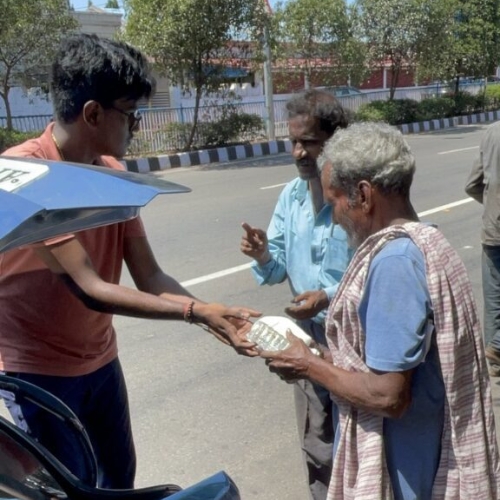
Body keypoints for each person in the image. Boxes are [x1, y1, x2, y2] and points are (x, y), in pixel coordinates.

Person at [0, 34, 260, 489]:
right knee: (71, 488)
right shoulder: (28, 175)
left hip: (100, 361)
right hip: (40, 373)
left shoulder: (113, 175)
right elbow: (89, 287)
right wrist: (195, 313)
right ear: (94, 114)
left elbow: (150, 275)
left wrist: (215, 316)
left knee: (118, 480)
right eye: (131, 116)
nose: (135, 128)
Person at [261, 122, 500, 499]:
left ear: (363, 194)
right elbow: (383, 364)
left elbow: (388, 396)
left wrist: (309, 366)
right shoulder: (427, 239)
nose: (334, 216)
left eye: (334, 200)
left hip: (410, 471)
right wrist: (315, 355)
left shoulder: (394, 262)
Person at [240, 89, 352, 500]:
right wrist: (264, 252)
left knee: (361, 438)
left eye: (309, 142)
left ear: (334, 143)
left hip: (354, 341)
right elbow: (276, 270)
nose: (299, 153)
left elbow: (374, 269)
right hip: (308, 341)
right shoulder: (291, 196)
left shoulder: (357, 197)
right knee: (317, 439)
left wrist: (328, 295)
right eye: (294, 142)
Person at [465, 121, 500, 376]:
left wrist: (491, 206)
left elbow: (472, 184)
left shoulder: (491, 132)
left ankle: (495, 361)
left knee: (494, 298)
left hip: (493, 228)